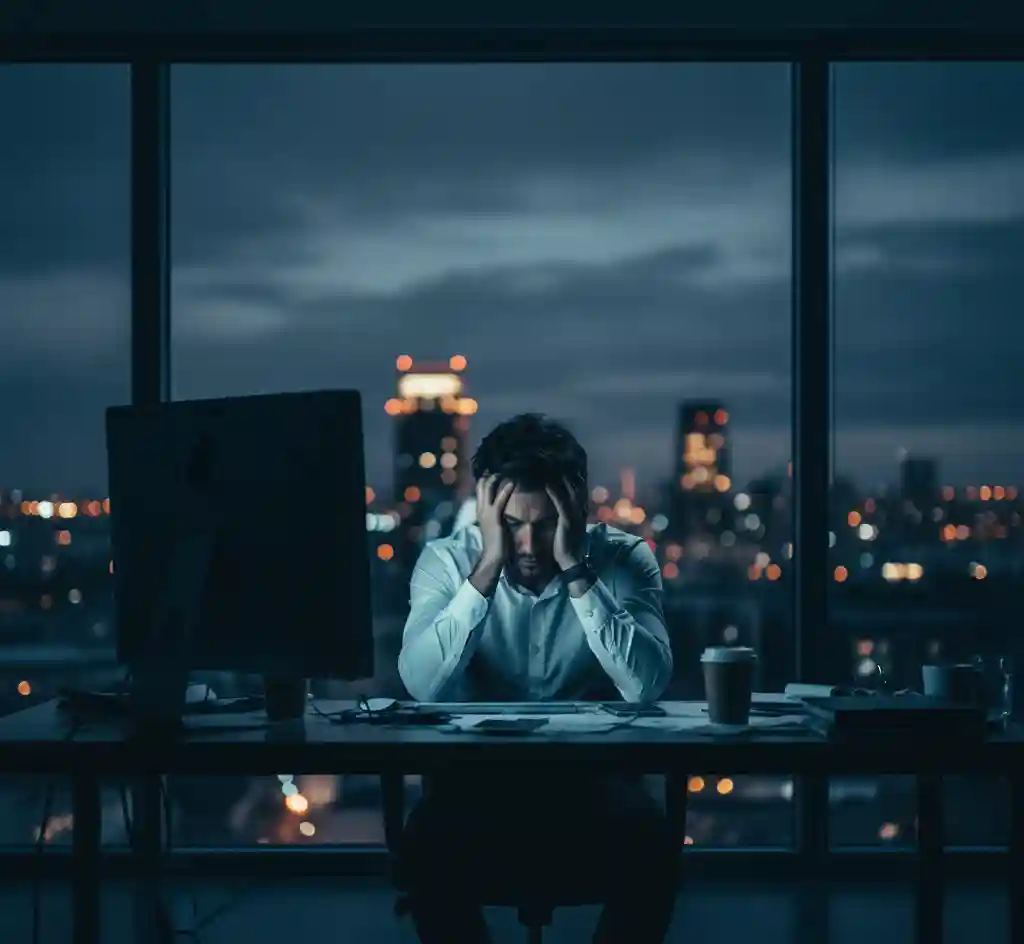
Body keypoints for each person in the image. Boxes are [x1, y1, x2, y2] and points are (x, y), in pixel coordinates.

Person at [397, 413, 678, 944]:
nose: (527, 545)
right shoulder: (445, 561)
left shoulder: (623, 559)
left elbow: (646, 685)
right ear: (484, 512)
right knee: (425, 843)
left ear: (576, 509)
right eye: (510, 524)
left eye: (545, 523)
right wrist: (485, 568)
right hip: (476, 786)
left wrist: (576, 569)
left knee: (652, 844)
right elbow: (421, 683)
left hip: (591, 786)